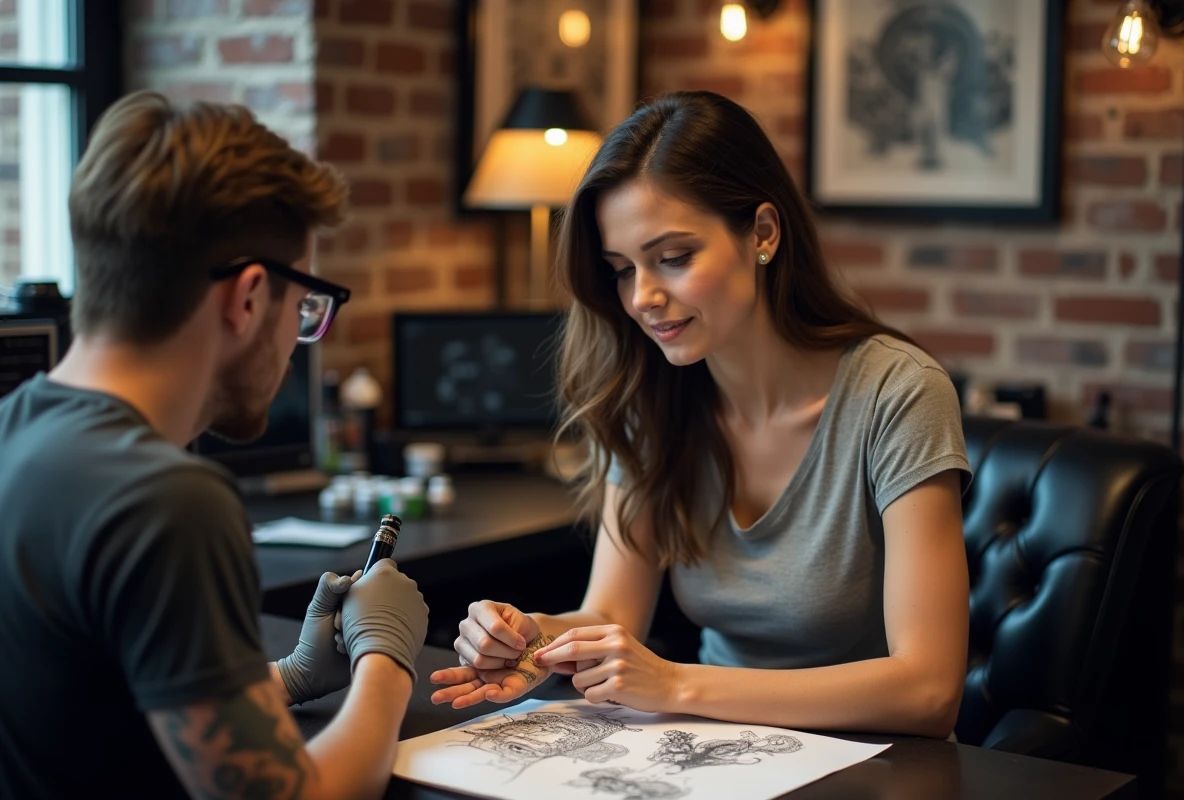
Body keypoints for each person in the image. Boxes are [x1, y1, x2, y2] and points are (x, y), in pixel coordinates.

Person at [430, 91, 971, 739]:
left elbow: (928, 689)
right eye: (623, 270)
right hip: (715, 744)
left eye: (674, 257)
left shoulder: (898, 392)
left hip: (874, 761)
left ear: (763, 234)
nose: (643, 298)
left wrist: (678, 683)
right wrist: (529, 637)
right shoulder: (649, 397)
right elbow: (609, 612)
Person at [0, 91, 427, 799]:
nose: (297, 339)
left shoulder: (17, 427)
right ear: (249, 297)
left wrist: (289, 676)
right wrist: (386, 660)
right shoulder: (166, 500)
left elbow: (98, 706)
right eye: (304, 308)